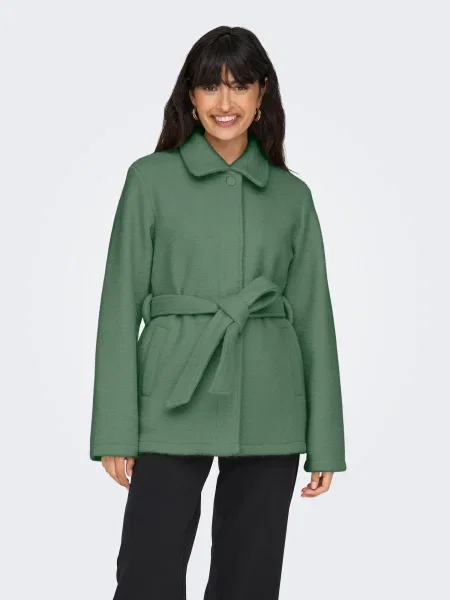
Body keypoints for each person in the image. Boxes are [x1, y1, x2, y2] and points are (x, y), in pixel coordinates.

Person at [89, 25, 347, 600]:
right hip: (170, 393)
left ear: (262, 95)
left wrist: (325, 438)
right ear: (190, 95)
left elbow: (314, 317)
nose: (224, 102)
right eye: (210, 86)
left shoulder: (292, 195)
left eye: (239, 86)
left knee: (250, 580)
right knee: (147, 573)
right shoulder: (150, 180)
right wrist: (115, 428)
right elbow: (118, 306)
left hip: (271, 400)